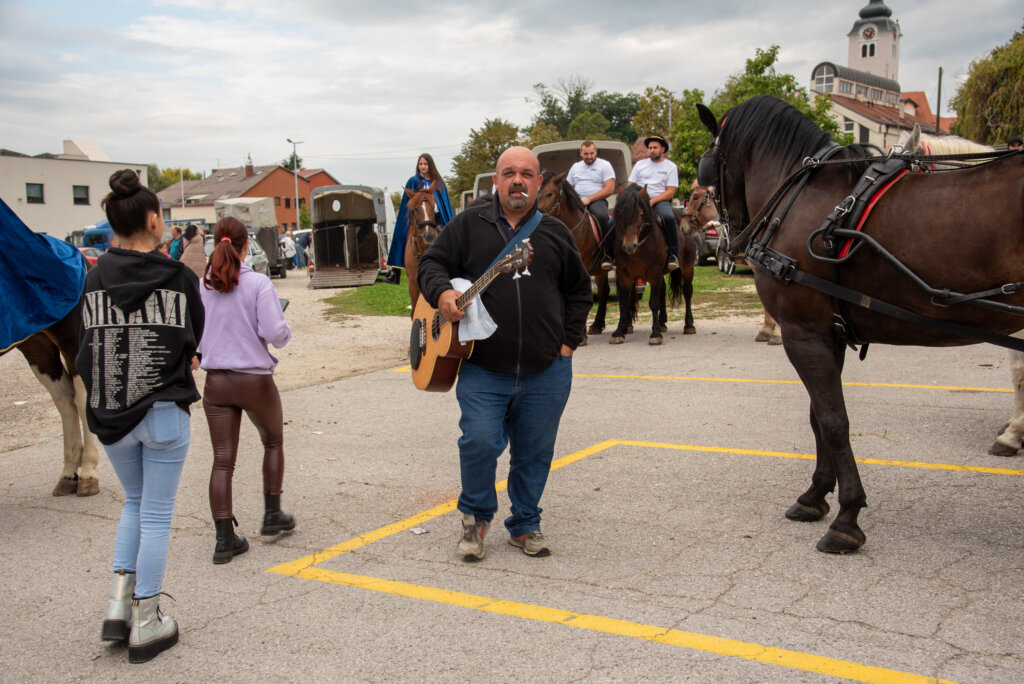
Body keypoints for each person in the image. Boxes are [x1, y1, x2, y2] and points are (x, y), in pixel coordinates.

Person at [417, 146, 592, 562]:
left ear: (538, 182)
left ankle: (525, 523)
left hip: (547, 369)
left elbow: (579, 291)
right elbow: (431, 265)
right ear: (495, 181)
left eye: (526, 174)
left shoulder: (553, 233)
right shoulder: (467, 225)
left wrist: (568, 343)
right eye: (509, 173)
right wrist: (442, 294)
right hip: (483, 367)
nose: (518, 180)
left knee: (535, 452)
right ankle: (475, 520)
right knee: (478, 442)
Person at [76, 169, 204, 663]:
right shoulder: (179, 278)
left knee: (133, 504)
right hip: (163, 411)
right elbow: (194, 340)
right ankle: (147, 619)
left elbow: (85, 348)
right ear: (153, 220)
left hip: (110, 415)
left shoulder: (92, 279)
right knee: (155, 513)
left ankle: (117, 606)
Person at [199, 216, 294, 565]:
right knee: (272, 441)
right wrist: (284, 329)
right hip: (254, 380)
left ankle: (224, 538)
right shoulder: (258, 284)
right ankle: (272, 514)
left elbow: (197, 334)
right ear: (244, 246)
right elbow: (275, 333)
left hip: (217, 383)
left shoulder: (202, 285)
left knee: (222, 461)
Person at [385, 153, 454, 285]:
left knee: (450, 237)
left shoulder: (438, 183)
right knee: (402, 234)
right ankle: (394, 271)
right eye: (420, 164)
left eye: (425, 164)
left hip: (436, 218)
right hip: (418, 219)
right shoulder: (413, 181)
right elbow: (408, 202)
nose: (423, 166)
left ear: (430, 165)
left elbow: (444, 203)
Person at [628, 134, 680, 270]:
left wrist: (652, 201)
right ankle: (610, 254)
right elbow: (630, 184)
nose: (652, 150)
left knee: (669, 218)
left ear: (663, 149)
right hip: (639, 201)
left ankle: (674, 254)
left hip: (659, 201)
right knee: (615, 220)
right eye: (650, 148)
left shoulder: (671, 167)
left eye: (655, 148)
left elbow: (670, 192)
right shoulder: (639, 165)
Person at [566, 140, 616, 269]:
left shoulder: (605, 165)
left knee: (602, 217)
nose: (589, 157)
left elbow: (609, 189)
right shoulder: (575, 167)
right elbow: (568, 187)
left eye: (591, 153)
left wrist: (589, 199)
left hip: (597, 201)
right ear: (580, 153)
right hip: (577, 202)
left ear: (596, 152)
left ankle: (606, 254)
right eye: (586, 154)